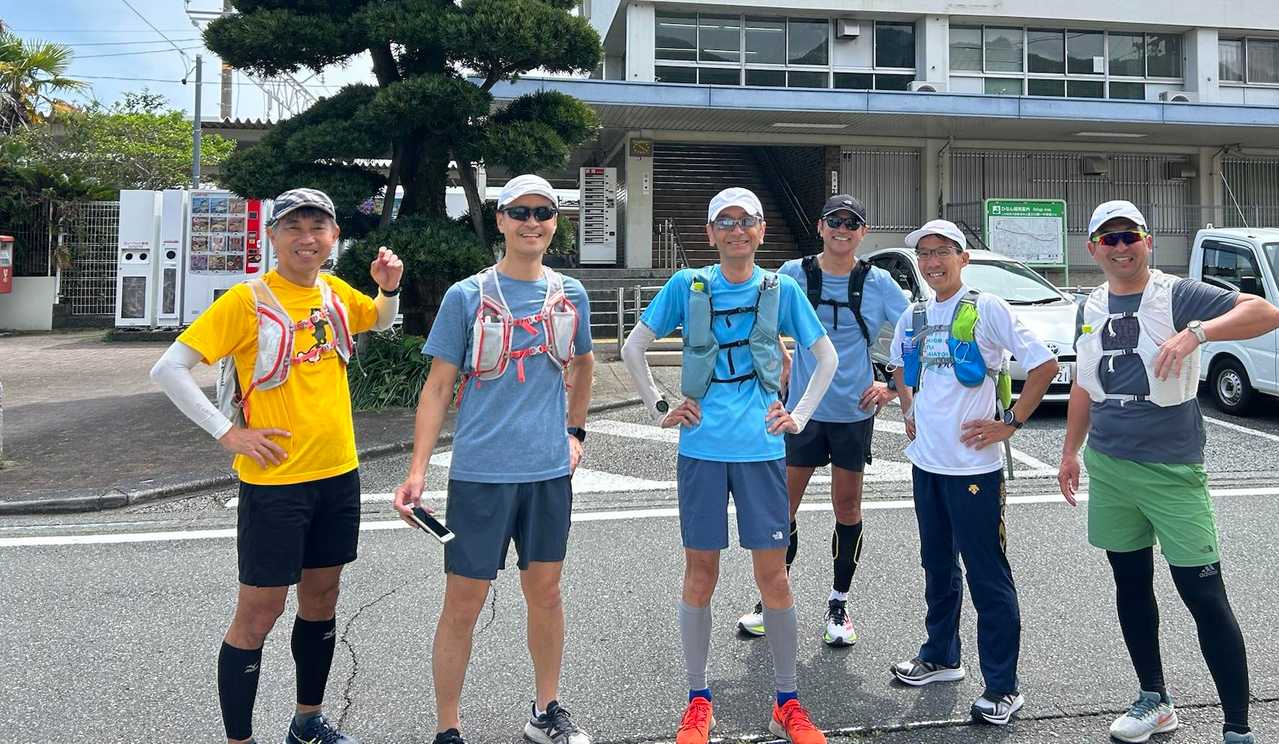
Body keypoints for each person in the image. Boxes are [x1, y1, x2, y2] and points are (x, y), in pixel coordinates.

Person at [151, 188, 403, 744]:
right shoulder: (248, 299)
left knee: (322, 599)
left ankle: (307, 722)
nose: (306, 238)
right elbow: (169, 368)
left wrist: (388, 288)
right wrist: (227, 433)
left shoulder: (333, 291)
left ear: (334, 237)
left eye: (317, 227)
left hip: (338, 474)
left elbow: (379, 320)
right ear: (273, 236)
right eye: (293, 227)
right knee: (259, 612)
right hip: (275, 485)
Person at [1058, 201, 1279, 744]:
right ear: (1092, 249)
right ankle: (1155, 700)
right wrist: (1070, 452)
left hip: (1172, 469)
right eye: (1108, 239)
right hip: (1109, 464)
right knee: (1131, 585)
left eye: (1129, 236)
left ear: (1147, 241)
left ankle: (1237, 728)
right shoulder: (1089, 304)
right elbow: (1086, 382)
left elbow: (1266, 314)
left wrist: (1196, 334)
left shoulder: (1175, 294)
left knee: (1203, 594)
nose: (1120, 248)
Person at [622, 187, 839, 744]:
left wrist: (797, 415)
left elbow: (826, 356)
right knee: (701, 574)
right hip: (700, 449)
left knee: (774, 576)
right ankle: (699, 701)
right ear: (710, 233)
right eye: (726, 222)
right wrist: (661, 407)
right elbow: (632, 347)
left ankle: (787, 703)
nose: (737, 230)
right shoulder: (687, 285)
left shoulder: (781, 288)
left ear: (761, 231)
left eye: (747, 221)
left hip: (762, 450)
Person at [392, 174, 595, 744]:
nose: (532, 222)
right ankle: (448, 727)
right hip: (481, 472)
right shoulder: (467, 296)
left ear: (555, 223)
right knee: (464, 600)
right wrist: (416, 473)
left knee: (546, 593)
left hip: (548, 473)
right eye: (520, 212)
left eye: (543, 213)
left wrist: (575, 432)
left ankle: (546, 710)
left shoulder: (571, 293)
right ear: (500, 219)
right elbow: (437, 387)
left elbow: (584, 364)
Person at [886, 219, 1058, 728]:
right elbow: (899, 366)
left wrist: (1011, 422)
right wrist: (907, 406)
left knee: (987, 574)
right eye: (925, 253)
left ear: (963, 258)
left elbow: (1044, 365)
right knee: (937, 565)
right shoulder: (914, 315)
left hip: (974, 469)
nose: (933, 262)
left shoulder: (987, 308)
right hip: (926, 464)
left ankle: (1003, 687)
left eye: (943, 251)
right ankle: (941, 656)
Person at [733, 193, 910, 647]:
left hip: (853, 412)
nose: (842, 230)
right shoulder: (794, 273)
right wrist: (783, 357)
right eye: (835, 221)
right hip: (801, 414)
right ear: (820, 226)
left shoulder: (878, 282)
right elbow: (758, 320)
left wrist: (891, 387)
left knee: (847, 507)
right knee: (781, 508)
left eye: (852, 223)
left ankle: (839, 603)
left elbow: (915, 331)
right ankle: (771, 599)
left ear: (863, 232)